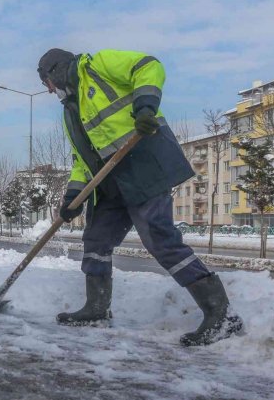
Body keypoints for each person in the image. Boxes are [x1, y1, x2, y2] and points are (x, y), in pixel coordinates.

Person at [37, 48, 243, 346]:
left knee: (158, 237)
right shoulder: (71, 111)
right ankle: (97, 308)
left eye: (47, 83)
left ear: (55, 70)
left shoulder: (96, 66)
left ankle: (221, 313)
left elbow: (148, 66)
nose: (50, 90)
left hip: (143, 164)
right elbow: (82, 160)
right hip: (110, 182)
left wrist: (145, 107)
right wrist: (73, 195)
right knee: (96, 241)